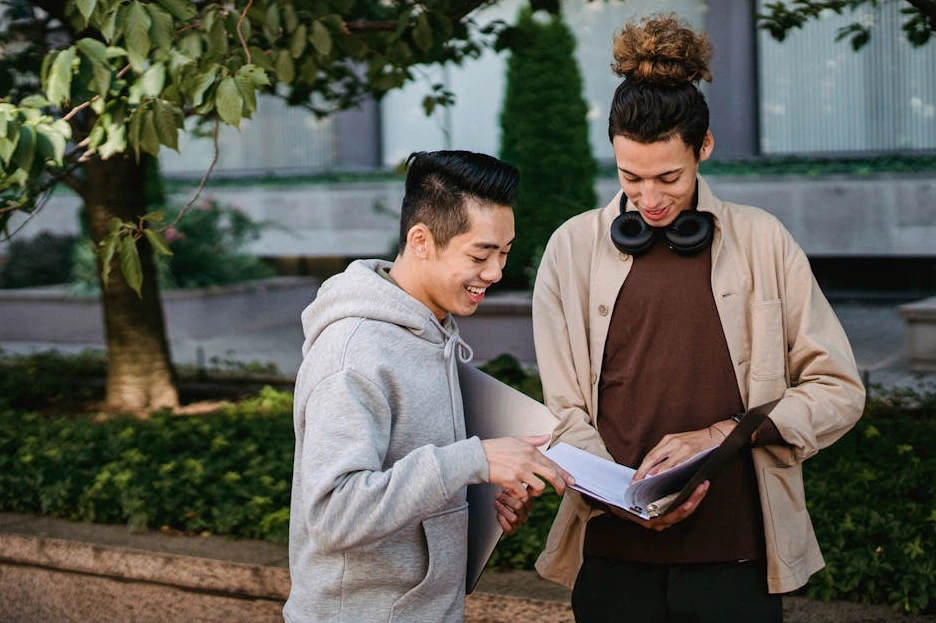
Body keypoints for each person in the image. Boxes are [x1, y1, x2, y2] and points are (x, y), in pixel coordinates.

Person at [531, 14, 866, 623]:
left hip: (737, 555)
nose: (650, 199)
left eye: (669, 177)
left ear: (703, 148)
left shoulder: (764, 241)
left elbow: (838, 389)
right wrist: (623, 499)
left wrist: (724, 433)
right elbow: (563, 411)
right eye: (631, 177)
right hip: (611, 551)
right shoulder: (570, 249)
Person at [283, 149, 573, 623]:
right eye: (480, 254)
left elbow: (419, 477)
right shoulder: (352, 353)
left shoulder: (431, 331)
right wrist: (472, 460)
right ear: (421, 240)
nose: (496, 272)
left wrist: (479, 504)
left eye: (504, 252)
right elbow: (334, 515)